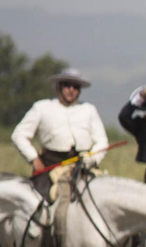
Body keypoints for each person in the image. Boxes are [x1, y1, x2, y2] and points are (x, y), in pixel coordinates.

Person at [11, 68, 108, 198]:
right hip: (50, 167)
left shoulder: (89, 110)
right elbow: (19, 135)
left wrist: (92, 159)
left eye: (75, 87)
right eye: (67, 85)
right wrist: (34, 159)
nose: (71, 90)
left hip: (83, 167)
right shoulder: (42, 107)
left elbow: (102, 141)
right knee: (37, 203)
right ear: (59, 87)